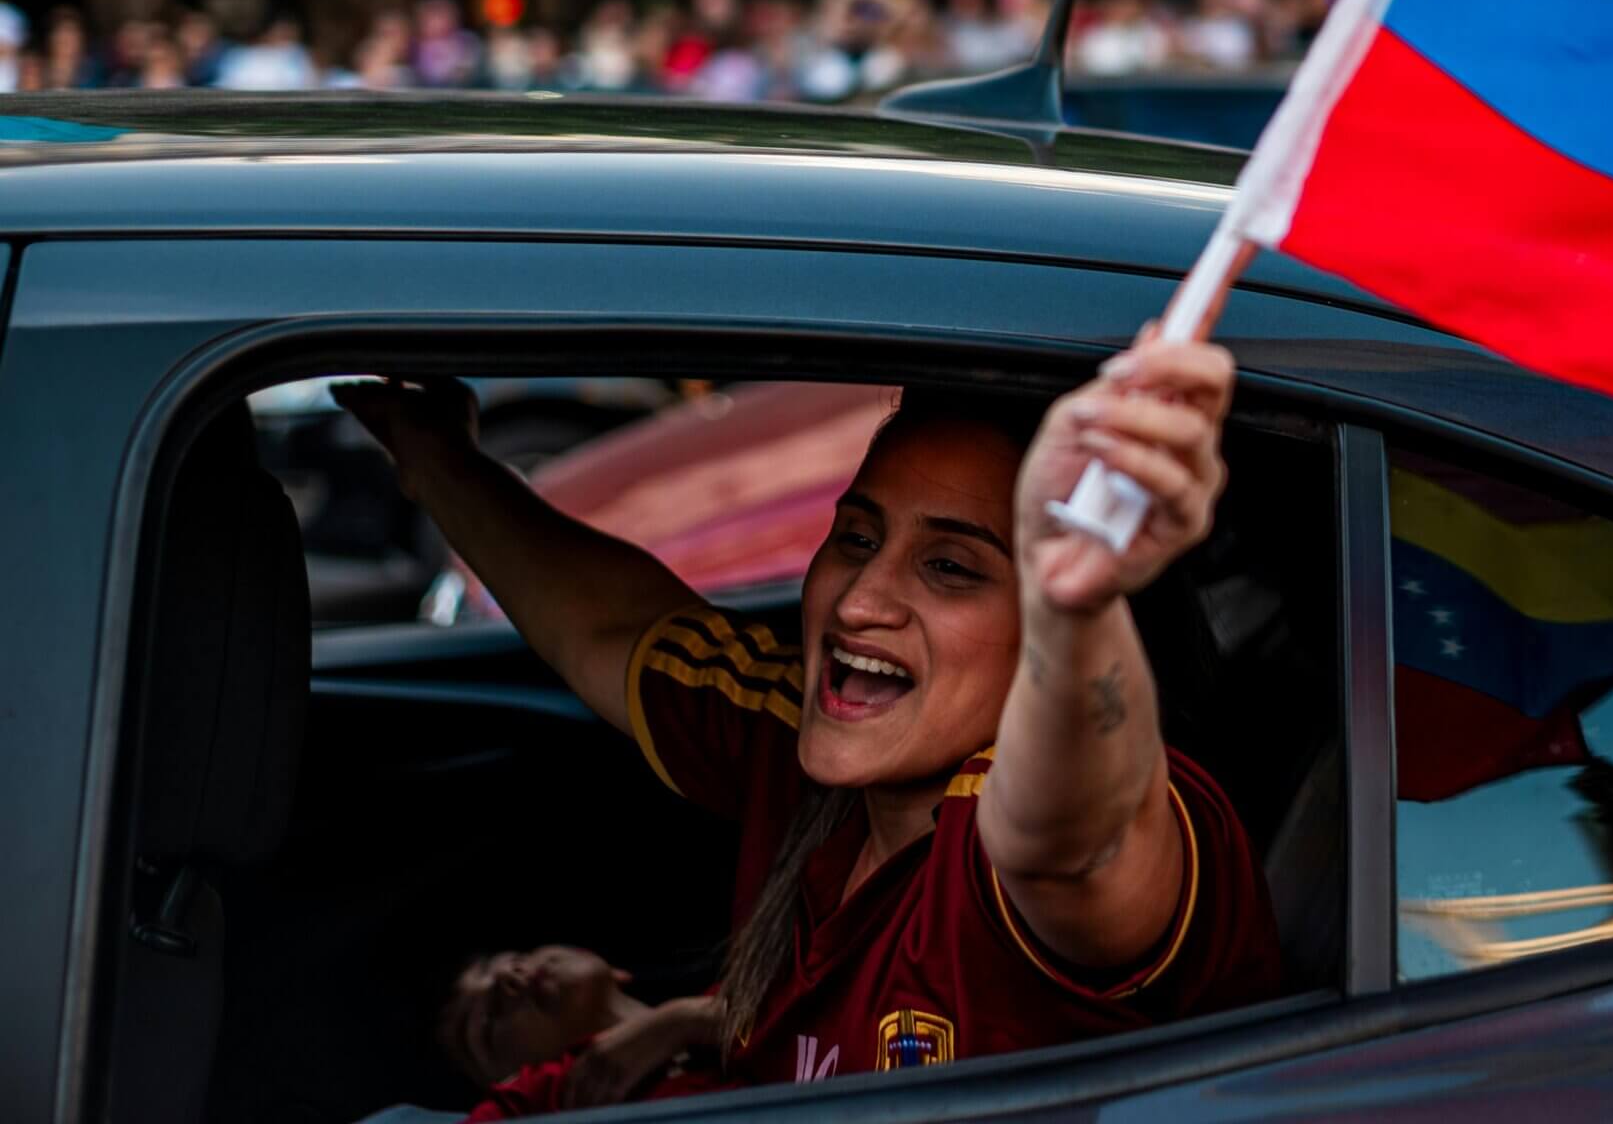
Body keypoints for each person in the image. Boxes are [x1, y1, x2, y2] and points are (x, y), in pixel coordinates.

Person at [334, 337, 1282, 1096]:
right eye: (858, 536)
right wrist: (435, 459)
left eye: (951, 567)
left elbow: (1072, 835)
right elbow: (615, 629)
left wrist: (1078, 610)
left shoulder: (1062, 820)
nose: (861, 599)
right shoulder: (807, 735)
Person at [438, 944, 727, 1117]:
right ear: (507, 1081)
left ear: (614, 969)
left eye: (517, 957)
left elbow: (758, 1036)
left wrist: (688, 1020)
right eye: (488, 1021)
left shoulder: (743, 998)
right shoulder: (538, 1103)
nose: (506, 975)